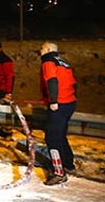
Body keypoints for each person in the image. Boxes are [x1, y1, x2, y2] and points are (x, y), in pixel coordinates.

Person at [39, 41, 77, 186]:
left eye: (42, 48)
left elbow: (52, 81)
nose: (40, 50)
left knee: (52, 138)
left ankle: (58, 172)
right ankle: (68, 164)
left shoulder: (48, 62)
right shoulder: (63, 62)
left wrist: (53, 101)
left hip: (59, 104)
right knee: (60, 134)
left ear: (48, 49)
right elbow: (73, 83)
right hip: (69, 102)